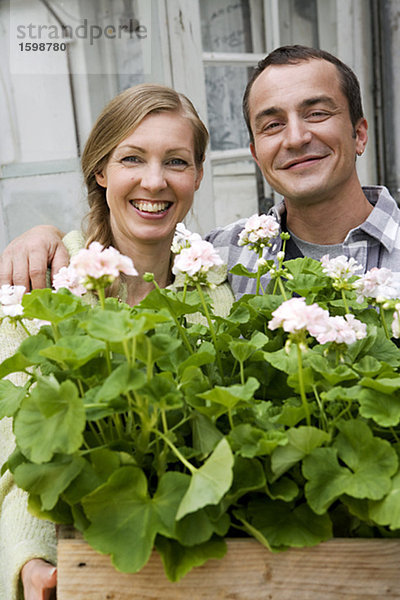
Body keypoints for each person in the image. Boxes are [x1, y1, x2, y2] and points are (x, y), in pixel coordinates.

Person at [0, 83, 234, 600]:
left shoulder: (216, 289)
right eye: (133, 158)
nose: (155, 180)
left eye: (176, 161)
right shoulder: (41, 282)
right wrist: (30, 563)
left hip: (203, 569)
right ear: (100, 171)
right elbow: (16, 457)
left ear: (196, 175)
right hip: (78, 567)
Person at [3, 45, 399, 299]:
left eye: (317, 113)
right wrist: (44, 236)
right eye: (272, 124)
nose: (295, 138)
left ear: (359, 133)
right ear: (255, 153)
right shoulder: (221, 257)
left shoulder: (212, 266)